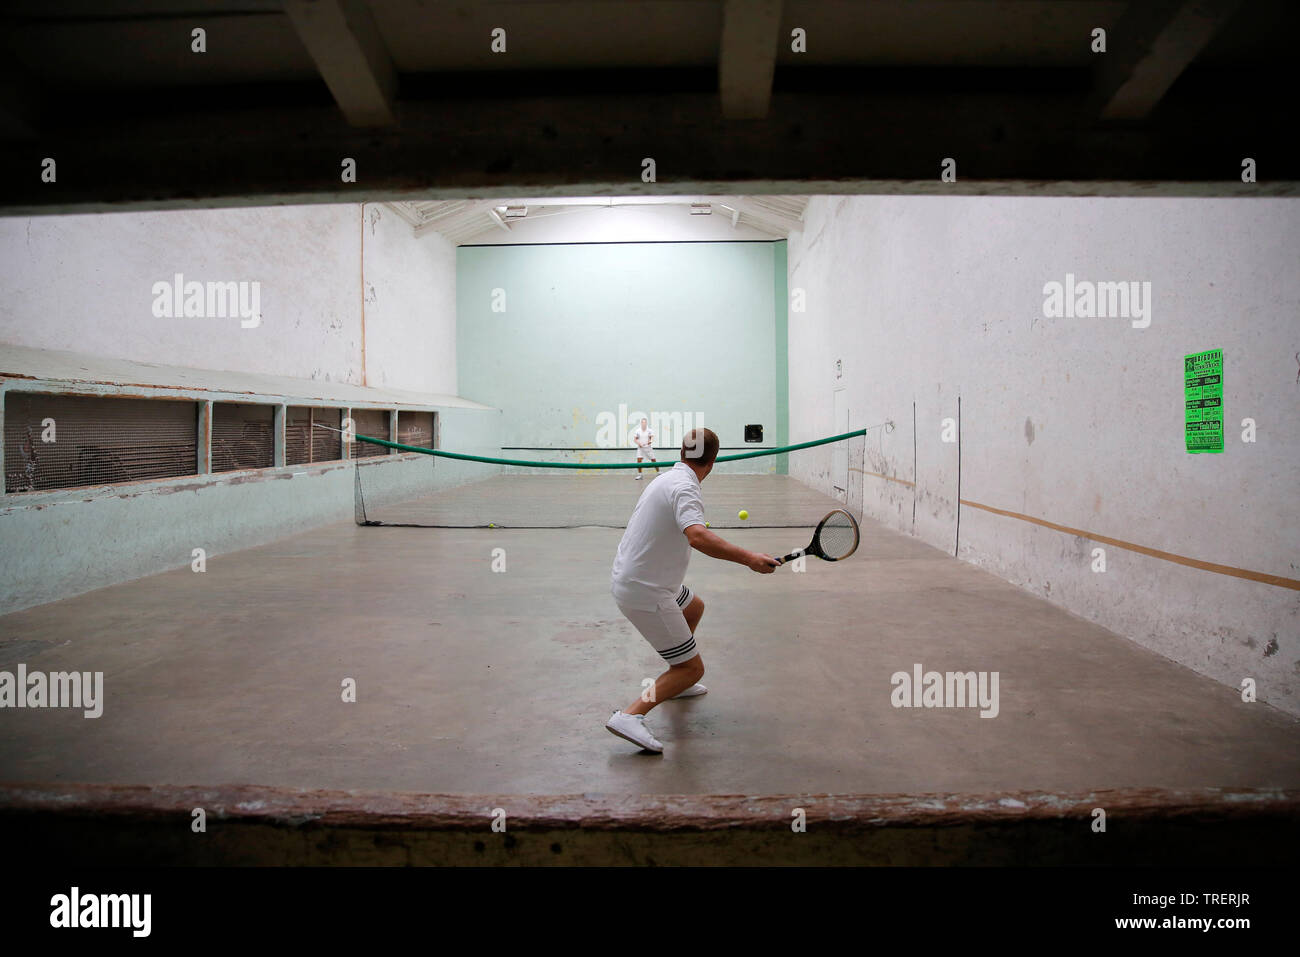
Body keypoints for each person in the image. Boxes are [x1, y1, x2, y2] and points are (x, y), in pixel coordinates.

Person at [606, 427, 779, 752]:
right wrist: (750, 559)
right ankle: (631, 715)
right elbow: (697, 536)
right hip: (646, 590)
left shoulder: (667, 478)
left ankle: (677, 677)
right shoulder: (685, 487)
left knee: (694, 607)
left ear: (684, 453)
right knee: (693, 668)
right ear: (712, 462)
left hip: (640, 578)